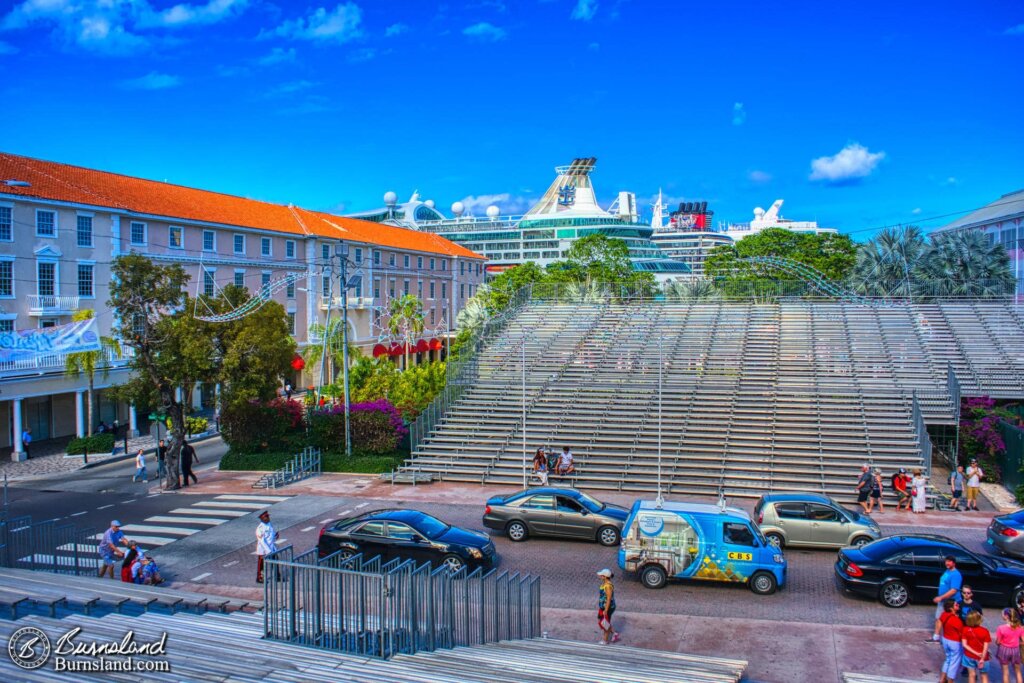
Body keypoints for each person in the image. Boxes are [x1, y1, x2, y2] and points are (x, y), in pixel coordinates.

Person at [934, 556, 964, 642]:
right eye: (946, 561)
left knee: (950, 620)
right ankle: (936, 637)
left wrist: (940, 597)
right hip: (943, 601)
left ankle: (953, 639)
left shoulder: (956, 575)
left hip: (951, 602)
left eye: (949, 561)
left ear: (954, 563)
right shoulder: (947, 571)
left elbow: (953, 590)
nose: (947, 563)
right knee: (939, 618)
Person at [995, 607, 1024, 683]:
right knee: (1017, 671)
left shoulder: (1001, 628)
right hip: (1015, 650)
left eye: (1002, 614)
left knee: (1005, 672)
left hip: (1004, 650)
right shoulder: (1020, 628)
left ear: (1006, 616)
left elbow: (998, 642)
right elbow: (1023, 641)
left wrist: (999, 643)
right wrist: (1018, 643)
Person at [939, 599, 965, 683]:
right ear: (951, 608)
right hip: (955, 643)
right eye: (956, 605)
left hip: (945, 639)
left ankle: (942, 680)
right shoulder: (956, 621)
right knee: (954, 663)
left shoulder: (943, 615)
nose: (958, 605)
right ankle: (950, 681)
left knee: (948, 659)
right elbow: (962, 633)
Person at [963, 610, 992, 683]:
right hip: (983, 657)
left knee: (971, 675)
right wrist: (982, 657)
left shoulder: (965, 629)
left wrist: (975, 653)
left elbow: (964, 645)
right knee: (984, 675)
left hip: (969, 656)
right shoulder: (985, 631)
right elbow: (986, 647)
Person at [597, 568, 620, 645]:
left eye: (601, 575)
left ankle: (605, 640)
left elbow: (609, 598)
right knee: (604, 622)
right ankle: (614, 633)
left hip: (608, 607)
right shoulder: (605, 584)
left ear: (605, 577)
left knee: (605, 623)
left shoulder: (607, 586)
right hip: (604, 606)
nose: (600, 576)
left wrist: (606, 610)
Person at [255, 510, 278, 583]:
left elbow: (271, 535)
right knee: (261, 564)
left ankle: (277, 576)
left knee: (276, 561)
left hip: (271, 547)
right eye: (266, 517)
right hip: (263, 550)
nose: (268, 518)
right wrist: (268, 551)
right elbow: (262, 541)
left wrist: (275, 536)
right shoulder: (260, 528)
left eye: (268, 516)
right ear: (262, 518)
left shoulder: (269, 524)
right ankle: (260, 577)